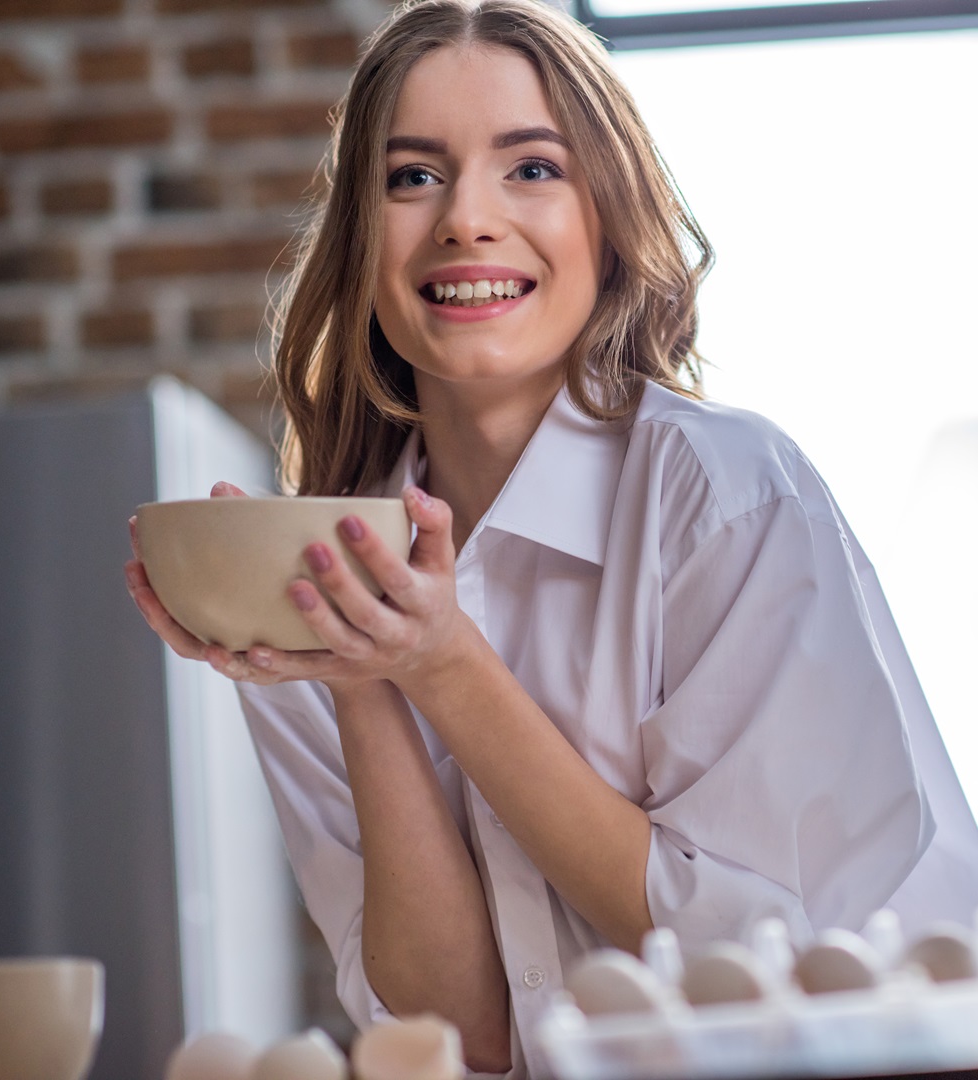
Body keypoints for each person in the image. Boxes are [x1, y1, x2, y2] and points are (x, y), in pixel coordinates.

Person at [124, 0, 978, 1075]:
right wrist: (360, 676)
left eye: (531, 168)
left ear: (607, 221)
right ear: (358, 244)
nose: (467, 220)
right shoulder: (316, 586)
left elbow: (753, 974)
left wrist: (442, 664)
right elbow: (462, 1034)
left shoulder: (725, 495)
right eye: (412, 176)